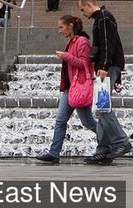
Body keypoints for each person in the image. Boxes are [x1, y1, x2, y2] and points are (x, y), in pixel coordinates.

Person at [79, 0, 133, 162]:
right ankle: (103, 149)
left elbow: (107, 44)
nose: (83, 13)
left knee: (102, 108)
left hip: (107, 67)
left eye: (83, 9)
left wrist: (103, 67)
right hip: (109, 67)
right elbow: (112, 45)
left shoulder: (103, 17)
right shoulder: (102, 18)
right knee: (101, 107)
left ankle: (121, 141)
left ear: (89, 5)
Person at [36, 15, 97, 163]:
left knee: (87, 122)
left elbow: (84, 64)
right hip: (70, 88)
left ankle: (112, 140)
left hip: (79, 88)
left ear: (70, 26)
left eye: (61, 27)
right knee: (61, 120)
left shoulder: (82, 41)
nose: (59, 31)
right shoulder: (72, 41)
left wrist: (66, 56)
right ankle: (54, 153)